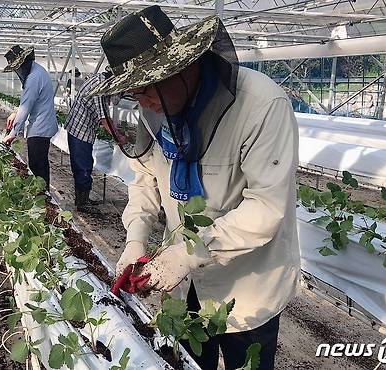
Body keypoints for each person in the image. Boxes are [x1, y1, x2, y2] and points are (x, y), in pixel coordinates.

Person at [89, 6, 299, 370]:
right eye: (132, 93)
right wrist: (136, 239)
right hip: (184, 287)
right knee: (185, 361)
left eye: (144, 89)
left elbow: (266, 208)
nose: (141, 101)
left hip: (246, 289)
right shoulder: (155, 110)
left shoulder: (261, 106)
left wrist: (188, 252)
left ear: (180, 69)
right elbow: (145, 180)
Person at [65, 69, 127, 213]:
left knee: (82, 164)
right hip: (80, 130)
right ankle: (82, 202)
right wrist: (118, 136)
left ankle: (82, 198)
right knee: (83, 165)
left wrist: (115, 132)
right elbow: (104, 118)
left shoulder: (100, 80)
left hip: (80, 128)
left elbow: (104, 116)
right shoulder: (100, 86)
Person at [1, 45, 58, 190]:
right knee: (40, 164)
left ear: (22, 64)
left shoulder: (33, 78)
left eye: (17, 68)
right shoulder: (37, 70)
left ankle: (43, 198)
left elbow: (25, 108)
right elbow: (27, 102)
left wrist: (12, 134)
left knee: (37, 166)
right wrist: (15, 112)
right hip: (42, 125)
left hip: (40, 128)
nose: (17, 72)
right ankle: (43, 196)